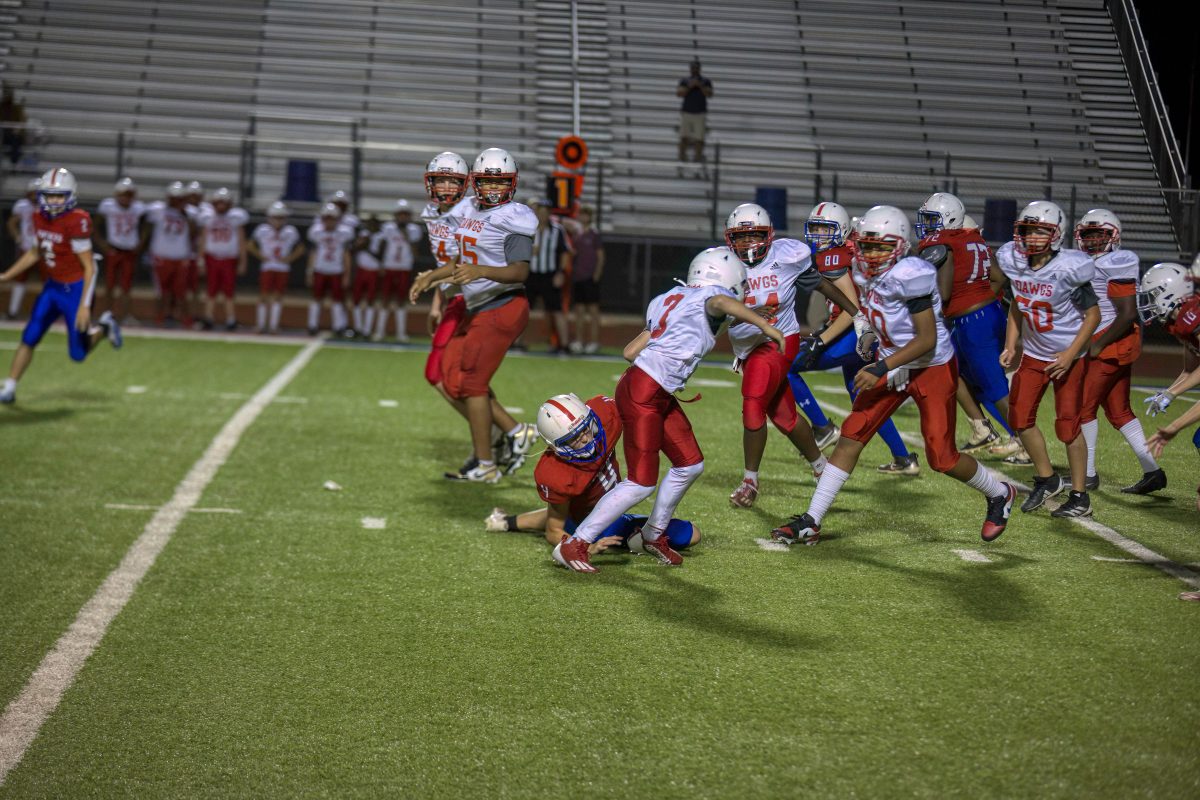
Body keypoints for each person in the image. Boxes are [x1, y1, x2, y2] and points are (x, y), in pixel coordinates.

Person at [770, 206, 1017, 546]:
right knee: (852, 434)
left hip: (930, 366)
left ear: (900, 246)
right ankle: (812, 520)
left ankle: (1000, 493)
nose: (872, 255)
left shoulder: (912, 275)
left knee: (942, 458)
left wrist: (883, 367)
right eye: (867, 247)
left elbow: (927, 340)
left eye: (881, 247)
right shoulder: (861, 272)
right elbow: (879, 316)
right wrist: (869, 336)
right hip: (894, 360)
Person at [554, 246, 786, 573]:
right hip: (645, 393)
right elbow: (719, 303)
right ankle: (576, 543)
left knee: (690, 464)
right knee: (640, 482)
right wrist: (767, 327)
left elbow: (630, 351)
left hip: (650, 388)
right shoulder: (713, 298)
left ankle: (652, 534)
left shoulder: (669, 298)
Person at [409, 147, 540, 483]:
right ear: (475, 182)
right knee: (451, 377)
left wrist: (481, 271)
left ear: (512, 184)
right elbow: (461, 261)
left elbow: (520, 271)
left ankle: (487, 462)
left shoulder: (514, 216)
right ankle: (504, 440)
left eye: (501, 182)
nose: (493, 188)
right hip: (479, 307)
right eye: (486, 182)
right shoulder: (471, 210)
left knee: (471, 384)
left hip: (502, 305)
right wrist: (431, 277)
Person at [723, 203, 857, 508]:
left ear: (768, 235)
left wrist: (855, 312)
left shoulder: (786, 256)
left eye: (755, 235)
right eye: (741, 237)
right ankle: (822, 467)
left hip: (779, 342)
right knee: (785, 417)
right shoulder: (723, 265)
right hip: (748, 348)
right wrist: (745, 314)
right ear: (730, 238)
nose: (749, 243)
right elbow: (714, 313)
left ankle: (750, 481)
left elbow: (820, 283)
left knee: (753, 405)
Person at [787, 201, 919, 474]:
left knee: (786, 366)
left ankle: (822, 427)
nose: (819, 235)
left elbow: (852, 311)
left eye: (826, 229)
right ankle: (904, 458)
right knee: (862, 397)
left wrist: (821, 340)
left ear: (843, 230)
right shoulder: (851, 249)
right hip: (870, 330)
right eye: (816, 228)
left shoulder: (833, 257)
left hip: (855, 333)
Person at [484, 393, 701, 558]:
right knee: (689, 534)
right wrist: (587, 546)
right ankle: (506, 522)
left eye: (585, 429)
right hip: (591, 519)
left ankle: (504, 521)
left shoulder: (606, 415)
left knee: (564, 511)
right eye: (572, 439)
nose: (586, 439)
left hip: (602, 504)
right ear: (555, 446)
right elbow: (553, 530)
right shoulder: (554, 472)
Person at [996, 201, 1100, 518]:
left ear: (1056, 234)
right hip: (1033, 354)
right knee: (1019, 418)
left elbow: (1093, 316)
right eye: (1028, 230)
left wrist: (1070, 354)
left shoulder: (1068, 269)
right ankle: (1047, 478)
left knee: (1067, 426)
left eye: (1040, 231)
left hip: (1068, 356)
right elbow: (1017, 306)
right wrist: (1011, 344)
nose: (1032, 237)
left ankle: (1080, 496)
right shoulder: (1017, 264)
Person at [915, 193, 1028, 465]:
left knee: (995, 388)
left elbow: (942, 292)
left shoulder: (943, 243)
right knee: (952, 371)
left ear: (949, 219)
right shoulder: (973, 239)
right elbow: (999, 278)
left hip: (973, 322)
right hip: (987, 315)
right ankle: (981, 428)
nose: (927, 226)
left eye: (932, 220)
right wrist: (979, 300)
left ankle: (1027, 444)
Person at [0, 168, 122, 404]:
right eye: (49, 195)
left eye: (59, 196)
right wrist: (8, 275)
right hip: (53, 287)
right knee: (30, 336)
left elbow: (91, 267)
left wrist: (84, 305)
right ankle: (10, 388)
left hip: (75, 290)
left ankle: (104, 328)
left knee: (78, 354)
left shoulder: (77, 221)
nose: (54, 201)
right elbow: (35, 252)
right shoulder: (38, 216)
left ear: (70, 196)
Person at [1072, 209, 1166, 494]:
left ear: (1113, 236)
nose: (1092, 241)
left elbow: (1127, 313)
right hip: (1108, 339)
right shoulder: (1085, 261)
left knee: (1083, 408)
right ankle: (1153, 471)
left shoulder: (1117, 261)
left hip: (1109, 340)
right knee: (1119, 411)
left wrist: (1098, 343)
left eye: (1098, 235)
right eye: (1087, 235)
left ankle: (1087, 475)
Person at [145, 181, 197, 326]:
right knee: (161, 291)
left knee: (180, 292)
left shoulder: (190, 212)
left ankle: (183, 318)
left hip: (180, 257)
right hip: (161, 256)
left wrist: (185, 215)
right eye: (174, 197)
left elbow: (193, 233)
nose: (175, 201)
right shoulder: (157, 209)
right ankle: (159, 317)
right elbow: (147, 229)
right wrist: (146, 249)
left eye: (178, 198)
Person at [197, 188, 248, 331]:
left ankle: (231, 319)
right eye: (219, 203)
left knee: (229, 291)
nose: (221, 206)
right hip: (212, 258)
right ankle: (208, 318)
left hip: (229, 259)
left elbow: (241, 241)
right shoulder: (208, 216)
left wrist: (243, 261)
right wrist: (200, 260)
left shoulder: (235, 217)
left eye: (223, 203)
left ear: (229, 204)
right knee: (211, 290)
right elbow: (203, 240)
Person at [248, 201, 303, 335]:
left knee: (278, 296)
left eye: (280, 217)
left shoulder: (290, 231)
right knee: (263, 295)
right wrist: (261, 256)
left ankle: (273, 325)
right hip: (268, 266)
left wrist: (289, 258)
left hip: (282, 268)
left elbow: (301, 248)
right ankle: (260, 325)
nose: (278, 221)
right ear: (270, 217)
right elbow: (249, 245)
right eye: (275, 217)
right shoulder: (262, 230)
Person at [95, 177, 145, 323]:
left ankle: (125, 315)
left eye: (129, 195)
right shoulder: (108, 206)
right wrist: (102, 244)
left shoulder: (138, 208)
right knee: (109, 285)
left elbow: (147, 225)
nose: (126, 198)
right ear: (117, 194)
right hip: (114, 248)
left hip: (129, 250)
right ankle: (106, 314)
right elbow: (94, 225)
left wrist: (141, 243)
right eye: (123, 194)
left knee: (126, 286)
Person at [528, 200, 573, 353]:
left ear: (549, 213)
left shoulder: (557, 230)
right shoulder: (528, 228)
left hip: (550, 274)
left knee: (556, 310)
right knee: (523, 309)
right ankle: (516, 342)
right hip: (531, 274)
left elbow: (564, 252)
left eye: (545, 212)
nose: (543, 215)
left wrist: (561, 273)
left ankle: (564, 344)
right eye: (540, 211)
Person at [375, 199, 423, 342]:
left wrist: (406, 236)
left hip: (404, 268)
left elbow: (415, 252)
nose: (402, 217)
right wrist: (381, 264)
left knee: (401, 300)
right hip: (389, 266)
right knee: (385, 299)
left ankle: (401, 333)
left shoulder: (414, 230)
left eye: (405, 214)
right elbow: (381, 247)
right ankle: (380, 331)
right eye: (400, 214)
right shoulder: (388, 228)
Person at [305, 203, 354, 335]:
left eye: (331, 218)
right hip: (320, 269)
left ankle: (339, 326)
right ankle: (312, 325)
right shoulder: (316, 231)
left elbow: (346, 255)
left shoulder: (344, 232)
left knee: (338, 299)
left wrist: (347, 274)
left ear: (337, 219)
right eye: (326, 218)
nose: (329, 221)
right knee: (316, 298)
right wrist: (309, 272)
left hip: (336, 270)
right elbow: (313, 253)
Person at [569, 205, 605, 354]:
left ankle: (594, 342)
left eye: (586, 215)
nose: (583, 217)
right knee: (579, 311)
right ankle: (579, 341)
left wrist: (596, 274)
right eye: (582, 214)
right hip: (578, 277)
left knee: (593, 311)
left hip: (590, 277)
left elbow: (601, 256)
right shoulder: (576, 234)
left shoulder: (594, 234)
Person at [5, 177, 40, 319]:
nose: (35, 196)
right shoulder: (23, 205)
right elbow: (11, 223)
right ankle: (13, 311)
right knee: (20, 278)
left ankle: (49, 312)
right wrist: (17, 237)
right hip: (27, 248)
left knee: (51, 280)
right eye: (33, 193)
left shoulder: (49, 206)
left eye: (38, 193)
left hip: (44, 249)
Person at [676, 60, 713, 165]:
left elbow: (709, 94)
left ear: (699, 69)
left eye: (696, 68)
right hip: (687, 112)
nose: (694, 70)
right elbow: (679, 93)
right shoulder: (684, 80)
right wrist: (690, 86)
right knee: (683, 137)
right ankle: (682, 158)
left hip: (700, 113)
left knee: (699, 138)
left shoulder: (706, 81)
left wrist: (700, 86)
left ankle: (698, 158)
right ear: (690, 69)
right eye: (693, 68)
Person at [350, 216, 381, 337]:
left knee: (371, 299)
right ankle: (358, 327)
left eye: (373, 224)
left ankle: (367, 330)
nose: (370, 227)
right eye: (369, 224)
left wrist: (367, 247)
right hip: (361, 269)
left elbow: (380, 255)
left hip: (374, 270)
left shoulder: (381, 236)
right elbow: (353, 249)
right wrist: (360, 244)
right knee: (356, 298)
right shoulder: (363, 234)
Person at [1, 84, 26, 165]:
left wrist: (17, 130)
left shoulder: (17, 108)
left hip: (13, 135)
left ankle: (14, 163)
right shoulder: (1, 108)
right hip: (3, 135)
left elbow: (22, 121)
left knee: (15, 140)